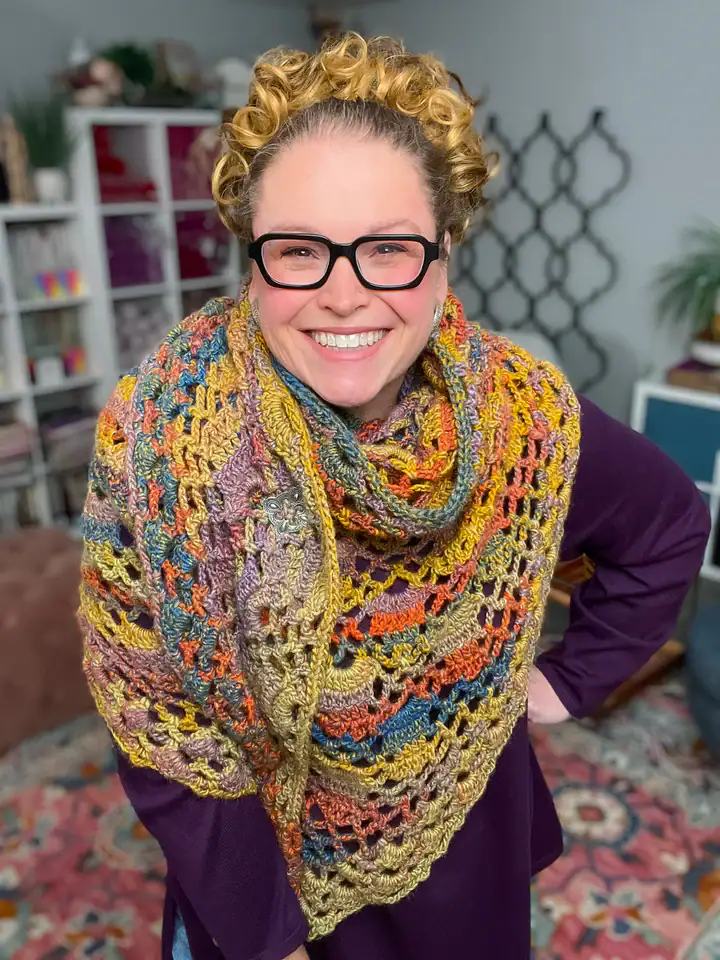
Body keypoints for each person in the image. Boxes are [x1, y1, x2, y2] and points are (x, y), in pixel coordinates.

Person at [78, 35, 710, 960]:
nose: (344, 295)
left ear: (443, 252)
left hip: (460, 856)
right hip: (252, 884)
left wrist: (565, 682)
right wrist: (269, 941)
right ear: (253, 259)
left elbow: (668, 525)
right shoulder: (156, 439)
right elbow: (160, 720)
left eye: (387, 248)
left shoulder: (518, 421)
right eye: (300, 250)